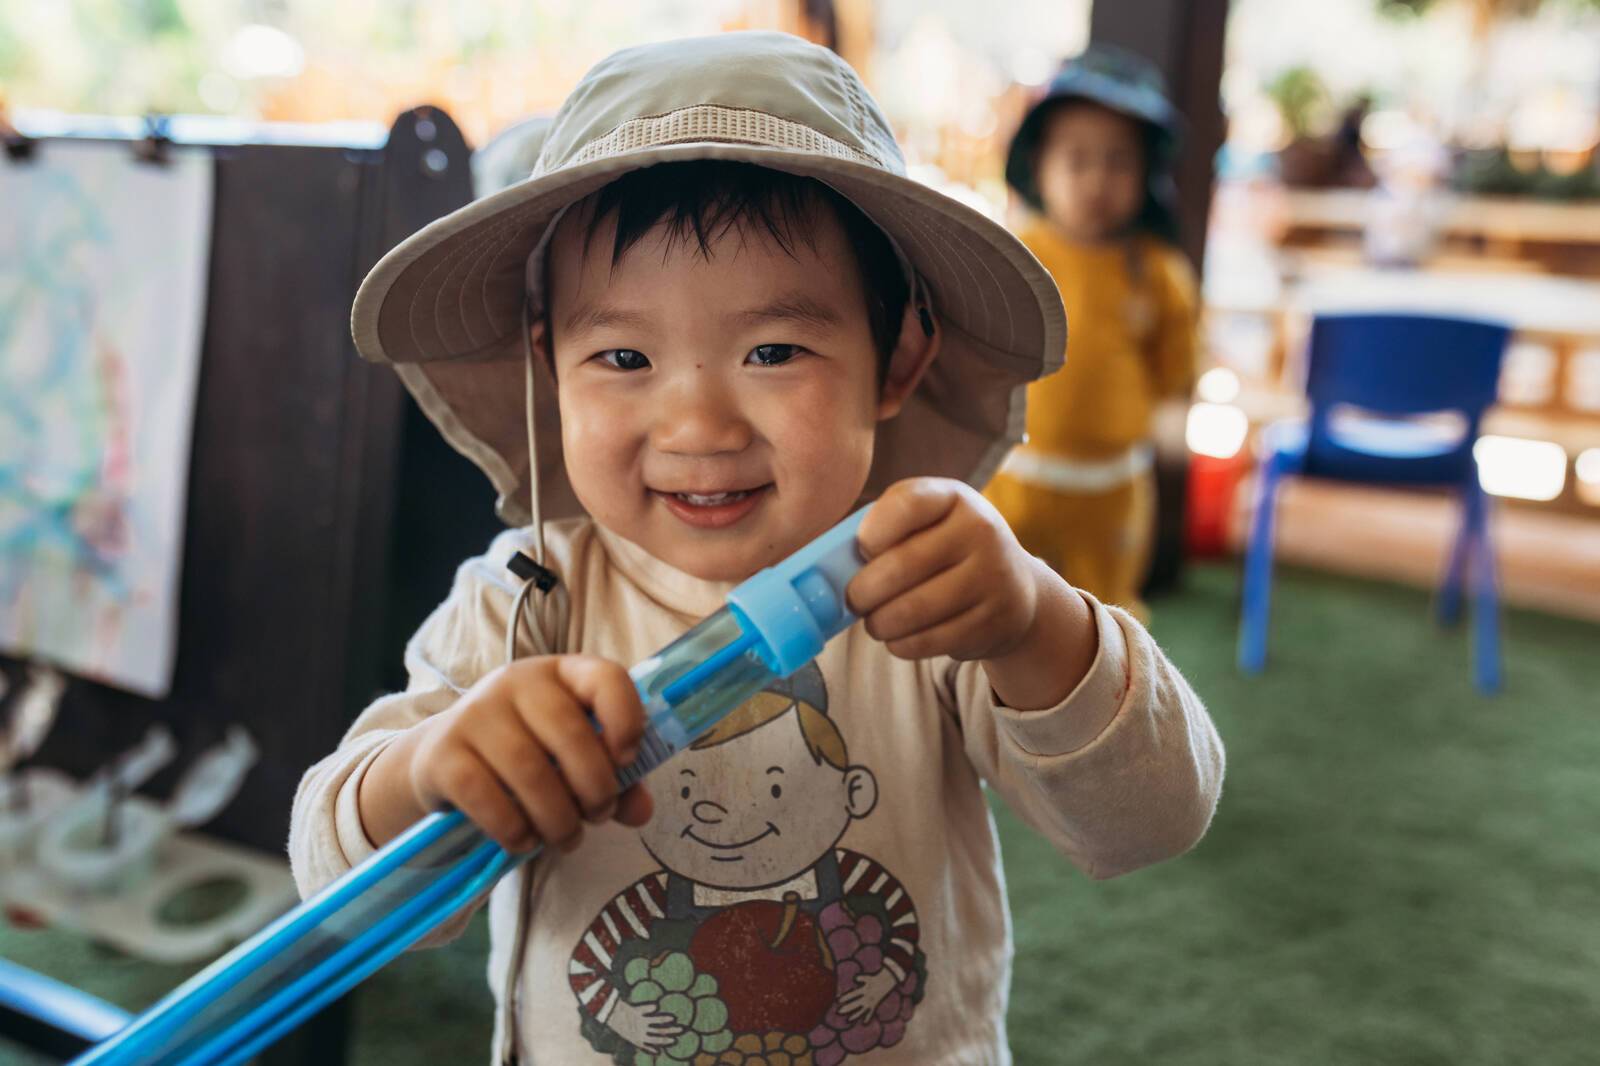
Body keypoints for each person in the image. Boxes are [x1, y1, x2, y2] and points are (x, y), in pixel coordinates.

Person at [289, 32, 1223, 1066]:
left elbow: (1149, 817)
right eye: (624, 355)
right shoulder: (525, 598)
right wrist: (429, 768)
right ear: (546, 366)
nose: (699, 424)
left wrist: (1035, 625)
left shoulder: (927, 591)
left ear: (899, 361)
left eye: (773, 351)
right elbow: (346, 894)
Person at [987, 45, 1201, 620]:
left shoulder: (1157, 271)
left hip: (1113, 490)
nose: (1097, 180)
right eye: (1077, 159)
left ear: (1147, 174)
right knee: (994, 603)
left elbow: (1176, 360)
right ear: (1039, 166)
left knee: (1108, 620)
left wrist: (1176, 412)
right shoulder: (1016, 253)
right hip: (1013, 479)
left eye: (1118, 161)